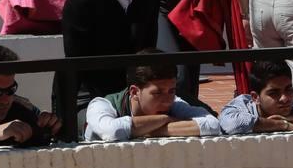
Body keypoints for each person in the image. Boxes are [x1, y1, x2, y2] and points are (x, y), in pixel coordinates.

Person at [59, 0, 161, 125]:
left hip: (133, 92)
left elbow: (147, 50)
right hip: (90, 96)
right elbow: (75, 67)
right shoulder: (81, 3)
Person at [83, 50, 221, 142]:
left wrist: (147, 129)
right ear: (134, 92)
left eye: (172, 91)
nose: (167, 101)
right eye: (157, 93)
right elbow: (112, 132)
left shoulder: (175, 102)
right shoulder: (101, 105)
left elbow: (212, 125)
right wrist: (166, 119)